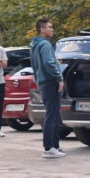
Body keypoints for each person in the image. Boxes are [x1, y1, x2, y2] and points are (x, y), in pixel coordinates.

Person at [30, 18, 65, 159]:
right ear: (42, 29)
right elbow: (48, 63)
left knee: (53, 115)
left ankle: (55, 146)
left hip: (43, 82)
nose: (52, 29)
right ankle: (49, 148)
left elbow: (39, 65)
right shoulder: (45, 45)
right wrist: (59, 78)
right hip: (50, 83)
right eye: (49, 27)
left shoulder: (35, 45)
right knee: (52, 115)